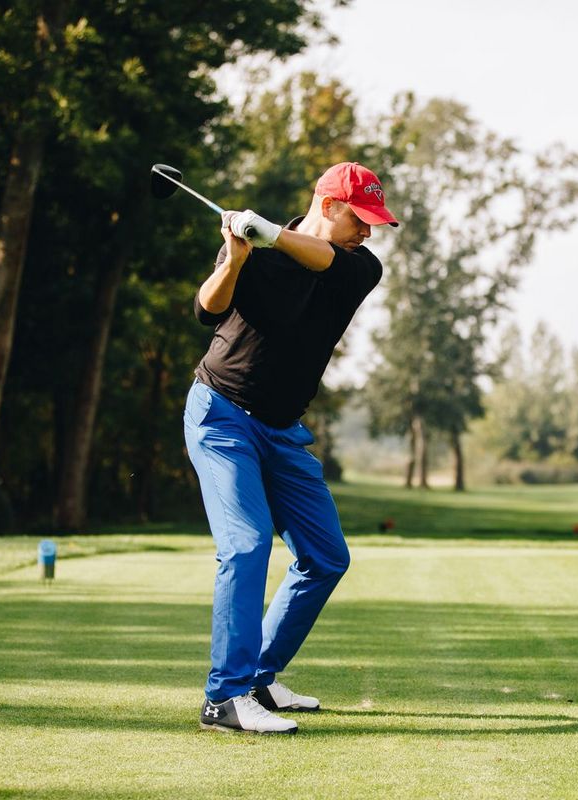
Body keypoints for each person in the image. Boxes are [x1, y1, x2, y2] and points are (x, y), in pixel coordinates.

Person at [183, 162, 398, 735]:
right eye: (360, 218)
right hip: (222, 417)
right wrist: (235, 258)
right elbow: (206, 309)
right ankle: (224, 698)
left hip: (282, 430)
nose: (368, 232)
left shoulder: (360, 266)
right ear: (328, 206)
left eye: (374, 222)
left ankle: (258, 678)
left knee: (326, 557)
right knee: (247, 544)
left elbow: (322, 259)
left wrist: (273, 234)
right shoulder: (258, 252)